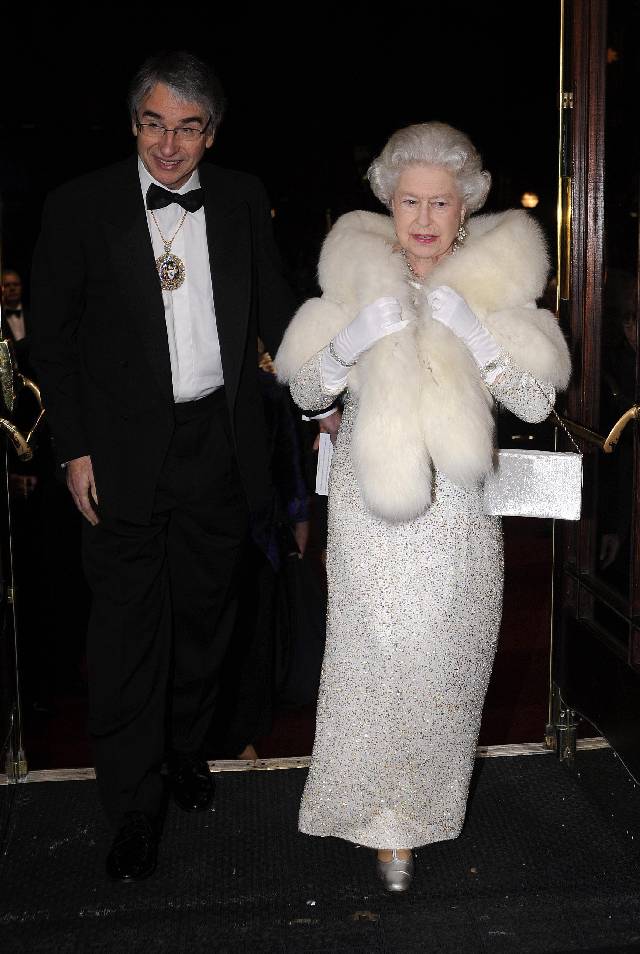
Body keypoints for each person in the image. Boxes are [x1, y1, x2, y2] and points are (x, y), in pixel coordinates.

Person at [275, 122, 571, 892]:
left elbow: (537, 402)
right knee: (373, 663)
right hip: (370, 516)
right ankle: (378, 821)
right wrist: (346, 347)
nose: (425, 218)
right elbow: (305, 390)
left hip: (458, 521)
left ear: (465, 206)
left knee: (442, 667)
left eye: (441, 201)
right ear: (390, 201)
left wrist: (480, 339)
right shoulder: (354, 283)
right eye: (411, 200)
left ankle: (420, 812)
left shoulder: (494, 289)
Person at [30, 51, 294, 881]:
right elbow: (54, 339)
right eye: (154, 124)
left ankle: (186, 749)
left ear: (211, 134)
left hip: (218, 444)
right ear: (133, 122)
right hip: (119, 455)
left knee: (207, 620)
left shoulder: (245, 198)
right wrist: (72, 446)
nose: (169, 146)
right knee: (127, 634)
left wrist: (338, 383)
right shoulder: (79, 205)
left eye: (187, 128)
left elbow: (283, 312)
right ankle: (133, 805)